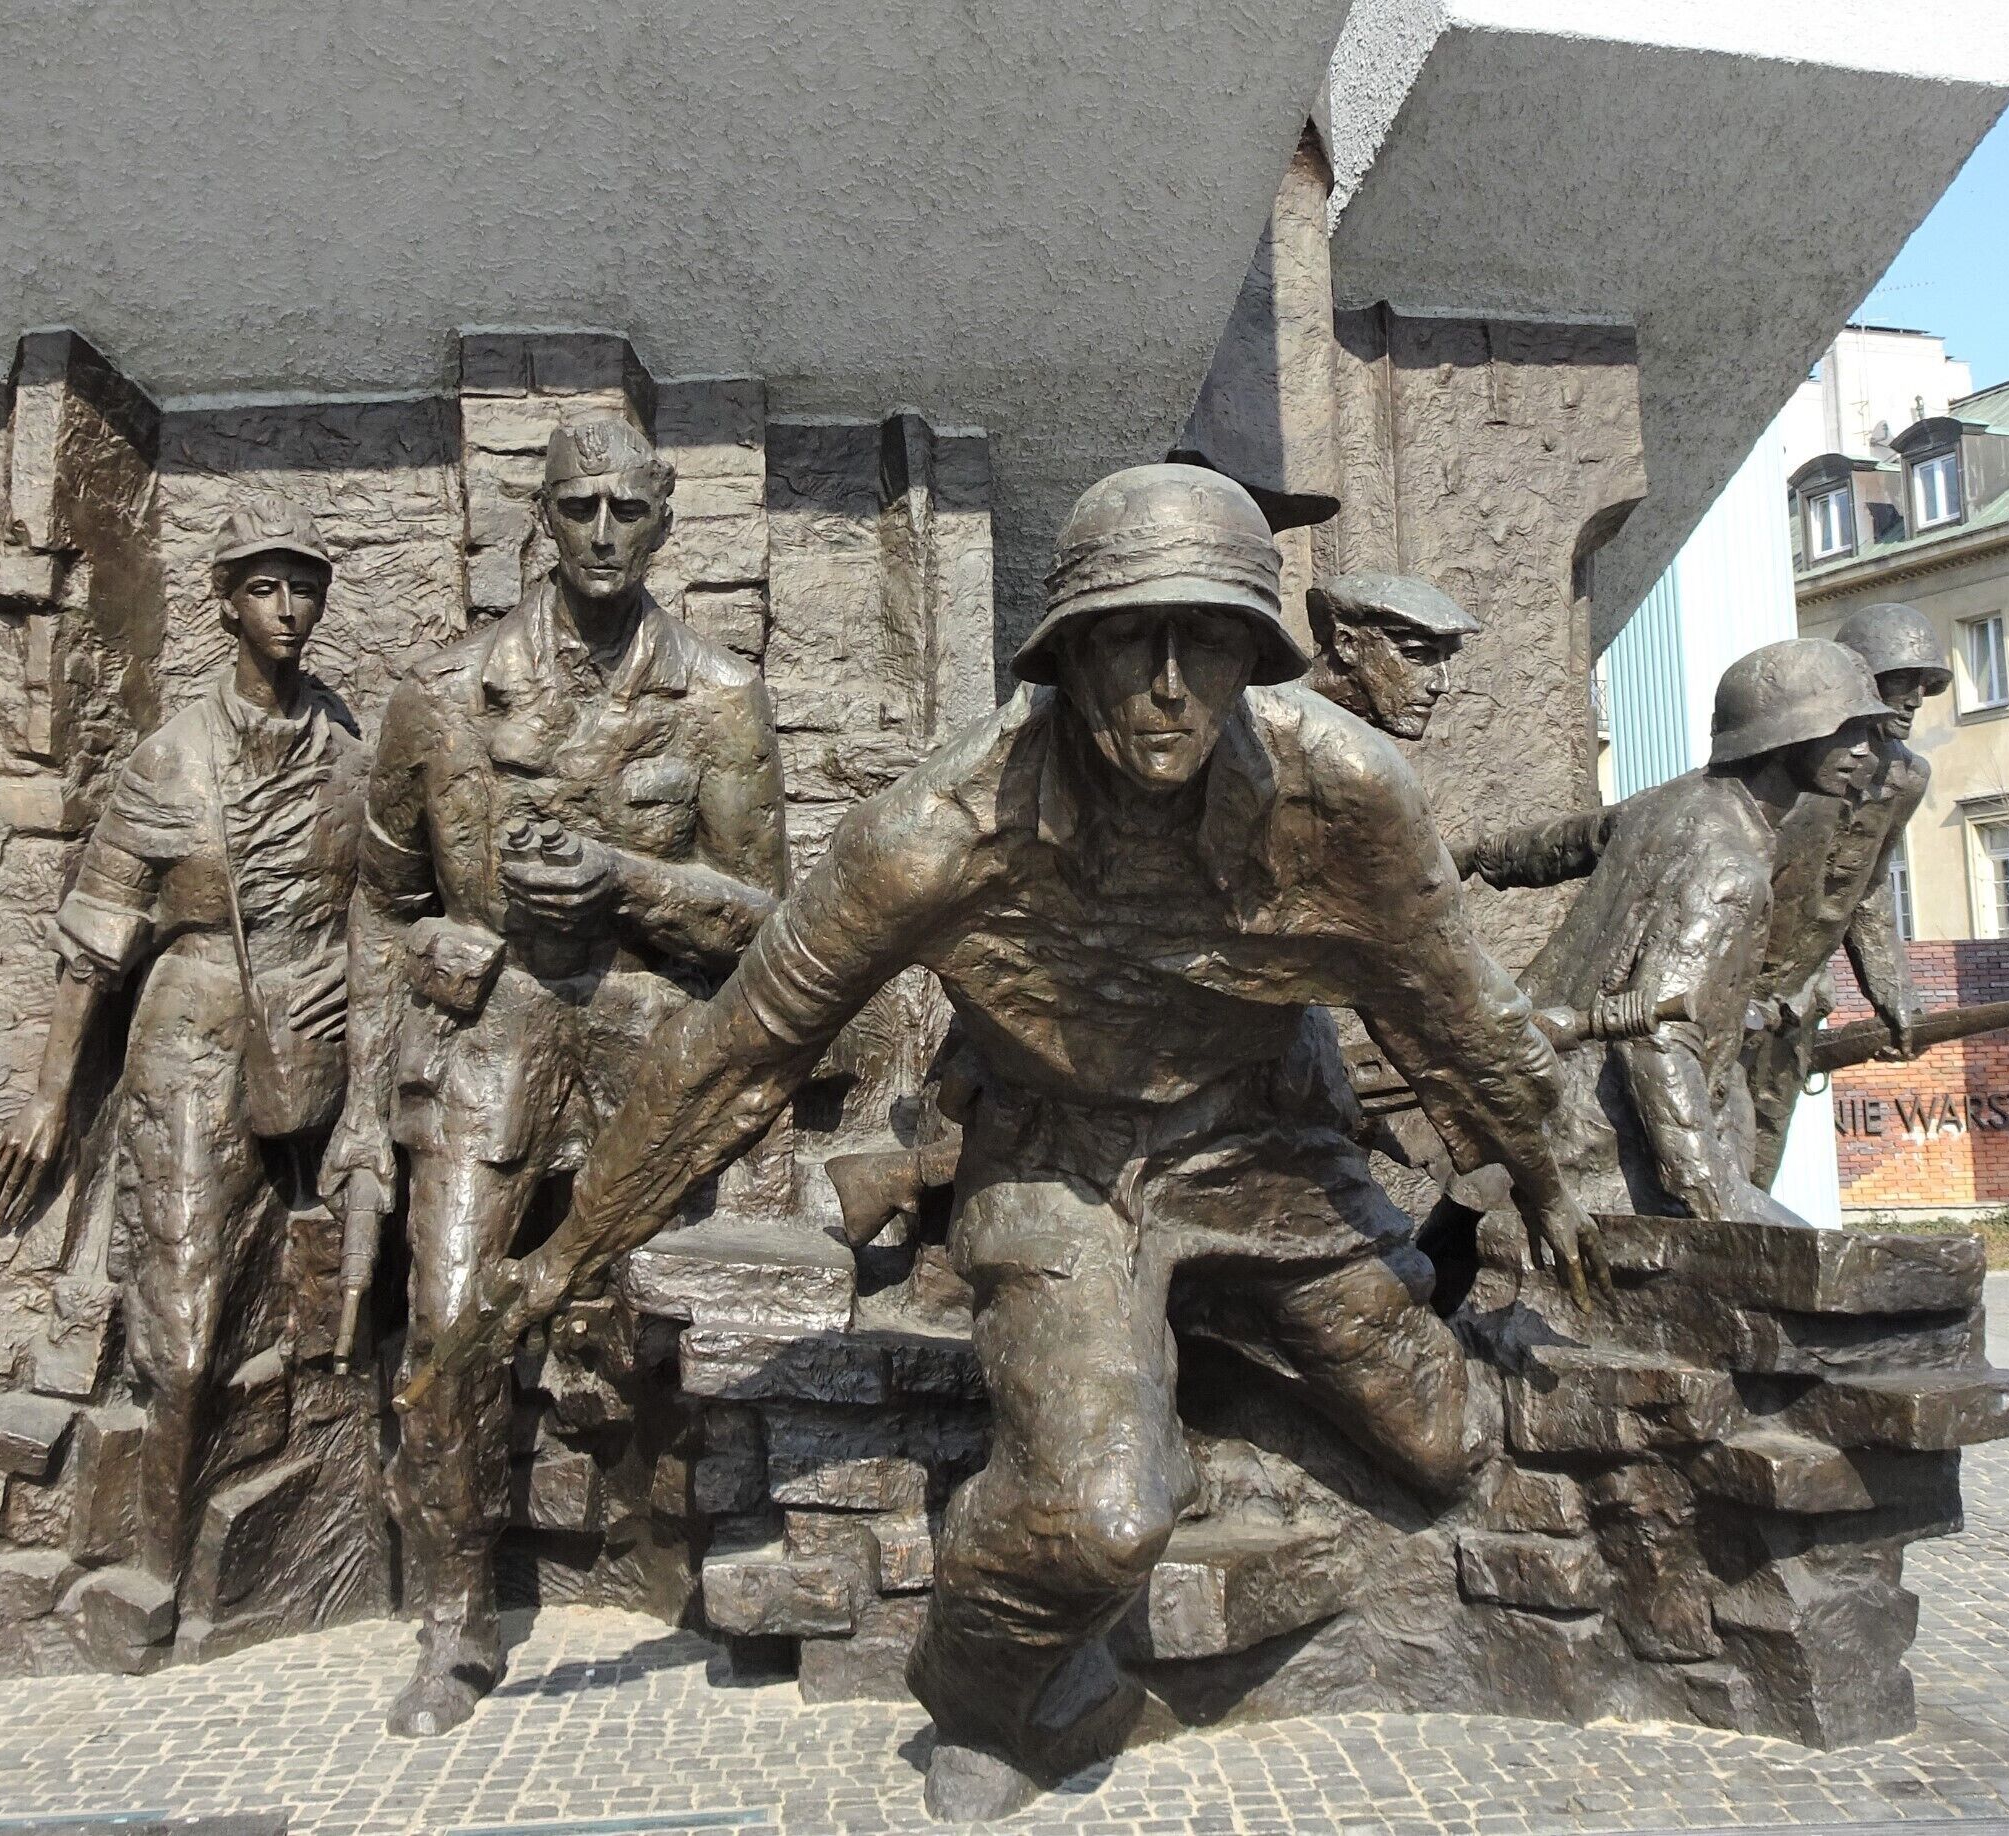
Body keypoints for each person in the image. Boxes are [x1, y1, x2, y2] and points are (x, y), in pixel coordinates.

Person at [411, 462, 1603, 1816]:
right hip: (1056, 1164)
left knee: (1442, 1442)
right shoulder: (937, 833)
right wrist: (567, 1253)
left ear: (1255, 659)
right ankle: (985, 1690)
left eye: (1206, 640)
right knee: (1097, 1515)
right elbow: (736, 1056)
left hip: (1263, 1151)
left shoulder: (1344, 795)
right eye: (1129, 641)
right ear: (1066, 656)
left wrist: (1557, 1179)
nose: (1168, 682)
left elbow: (1451, 1003)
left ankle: (1192, 1411)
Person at [318, 414, 789, 1738]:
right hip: (493, 1040)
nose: (597, 533)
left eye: (622, 511)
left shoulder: (716, 695)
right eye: (575, 507)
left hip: (655, 1039)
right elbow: (378, 902)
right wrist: (428, 957)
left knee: (718, 1306)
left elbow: (769, 915)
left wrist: (630, 879)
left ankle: (723, 1568)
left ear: (660, 524)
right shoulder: (447, 693)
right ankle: (459, 1619)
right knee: (454, 1303)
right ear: (541, 518)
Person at [0, 500, 363, 1640]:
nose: (289, 608)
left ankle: (305, 1533)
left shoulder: (349, 752)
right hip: (191, 1030)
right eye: (266, 587)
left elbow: (388, 901)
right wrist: (52, 1093)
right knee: (186, 1317)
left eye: (306, 586)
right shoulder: (171, 761)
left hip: (321, 1031)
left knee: (340, 1285)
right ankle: (152, 1559)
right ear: (226, 601)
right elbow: (98, 930)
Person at [1465, 640, 1888, 1225]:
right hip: (1602, 1156)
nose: (1865, 750)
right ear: (1785, 734)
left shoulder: (1679, 800)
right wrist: (1711, 1197)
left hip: (1532, 1113)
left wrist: (1475, 857)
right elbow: (1655, 1041)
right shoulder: (1731, 872)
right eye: (1845, 729)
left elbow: (1567, 841)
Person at [1743, 603, 1944, 1186]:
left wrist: (1894, 992)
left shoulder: (1908, 777)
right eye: (1900, 684)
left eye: (1923, 687)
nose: (1914, 700)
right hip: (1736, 978)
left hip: (1799, 992)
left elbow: (1868, 882)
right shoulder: (1804, 763)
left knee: (1762, 1146)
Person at [1303, 571, 1481, 740]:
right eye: (1417, 656)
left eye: (1446, 658)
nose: (1442, 685)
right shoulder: (1281, 716)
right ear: (1348, 645)